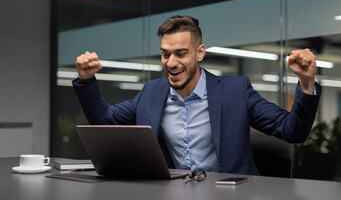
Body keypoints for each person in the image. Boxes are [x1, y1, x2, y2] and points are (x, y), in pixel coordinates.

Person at [73, 15, 321, 175]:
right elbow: (105, 120)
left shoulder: (236, 91)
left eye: (181, 53)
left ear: (199, 53)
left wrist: (306, 81)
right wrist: (87, 80)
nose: (171, 62)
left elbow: (293, 131)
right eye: (165, 54)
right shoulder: (152, 92)